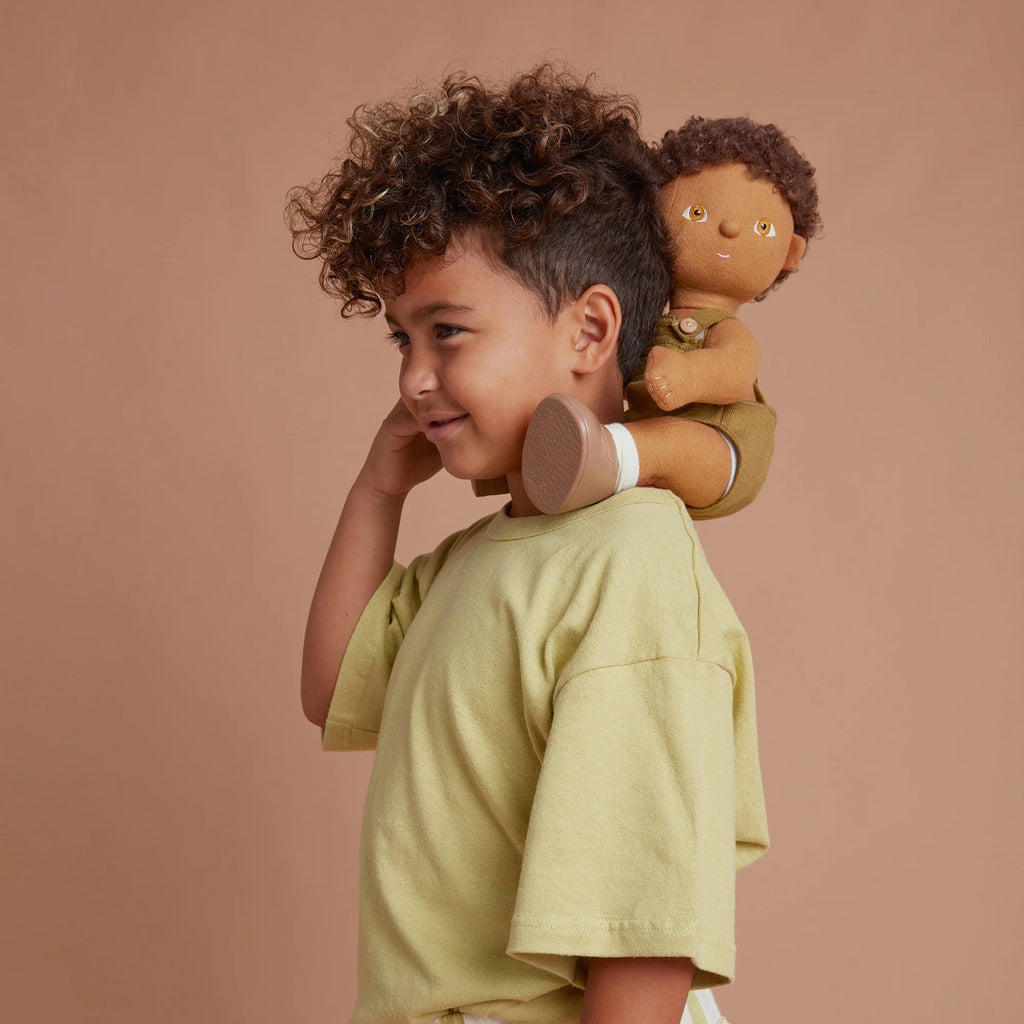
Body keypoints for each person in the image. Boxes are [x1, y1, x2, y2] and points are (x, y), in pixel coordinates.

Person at [286, 67, 769, 1024]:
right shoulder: (476, 561)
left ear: (591, 328)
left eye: (448, 331)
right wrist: (377, 490)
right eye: (401, 342)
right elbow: (332, 684)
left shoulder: (629, 557)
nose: (417, 377)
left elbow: (644, 911)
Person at [521, 116, 821, 520]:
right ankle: (524, 461)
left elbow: (735, 370)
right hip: (648, 431)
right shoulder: (643, 319)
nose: (731, 227)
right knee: (599, 421)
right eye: (696, 212)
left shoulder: (725, 331)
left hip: (725, 449)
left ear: (790, 253)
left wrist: (688, 376)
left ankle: (598, 458)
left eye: (762, 227)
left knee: (671, 441)